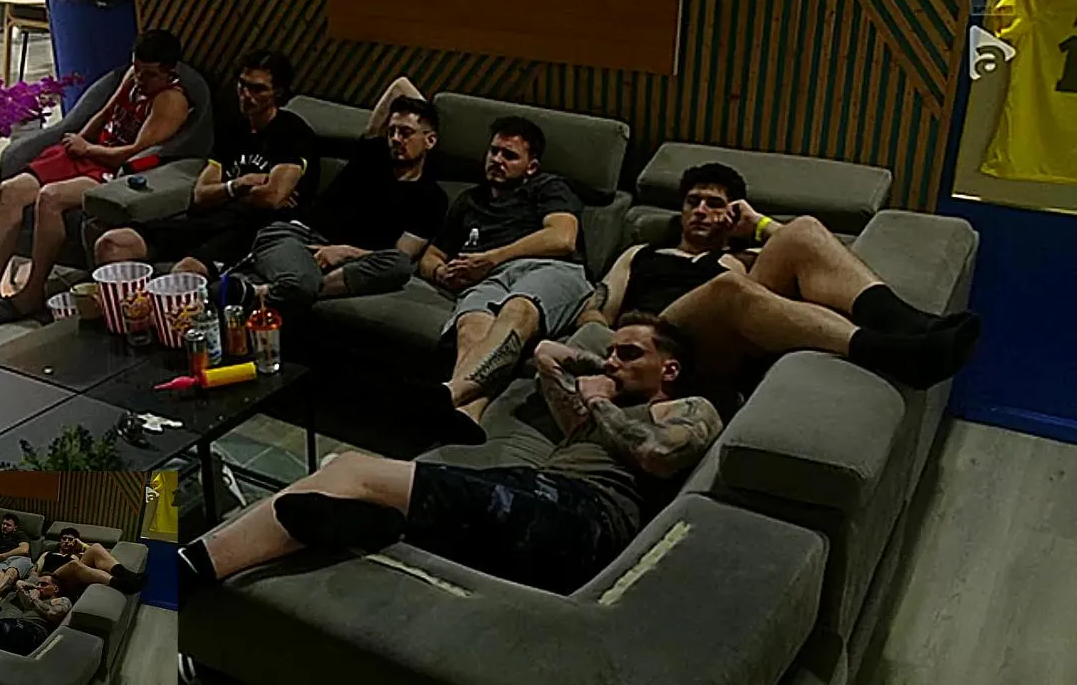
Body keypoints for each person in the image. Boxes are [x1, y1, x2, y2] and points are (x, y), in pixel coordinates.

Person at [178, 313, 721, 594]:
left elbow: (658, 455)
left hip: (584, 519)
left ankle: (177, 574)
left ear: (669, 369)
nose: (613, 362)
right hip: (537, 494)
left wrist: (600, 400)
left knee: (355, 471)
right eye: (612, 352)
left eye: (630, 354)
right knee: (339, 472)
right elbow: (546, 356)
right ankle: (380, 524)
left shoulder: (690, 408)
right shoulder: (594, 418)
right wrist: (601, 369)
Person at [575, 163, 982, 417]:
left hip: (721, 343)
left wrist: (759, 224)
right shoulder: (641, 253)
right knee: (728, 286)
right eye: (693, 202)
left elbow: (817, 256)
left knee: (803, 229)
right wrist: (613, 345)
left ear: (732, 214)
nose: (700, 210)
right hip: (658, 336)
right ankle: (888, 349)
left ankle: (910, 327)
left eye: (715, 204)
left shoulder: (743, 258)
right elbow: (596, 309)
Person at [0, 29, 192, 332]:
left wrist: (89, 150)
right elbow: (105, 112)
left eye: (149, 74)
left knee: (50, 197)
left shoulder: (170, 101)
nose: (140, 79)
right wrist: (78, 141)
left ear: (169, 71)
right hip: (90, 151)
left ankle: (32, 293)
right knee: (11, 191)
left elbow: (134, 153)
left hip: (116, 170)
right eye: (137, 69)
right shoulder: (133, 77)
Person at [191, 76, 447, 315]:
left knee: (400, 267)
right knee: (301, 281)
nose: (395, 139)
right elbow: (400, 85)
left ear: (431, 140)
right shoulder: (371, 155)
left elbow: (401, 254)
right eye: (391, 131)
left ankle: (258, 292)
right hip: (298, 237)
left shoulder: (432, 198)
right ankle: (281, 288)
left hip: (348, 262)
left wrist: (344, 252)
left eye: (406, 132)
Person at [414, 116, 593, 426]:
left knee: (518, 307)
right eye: (494, 151)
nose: (497, 160)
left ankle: (449, 392)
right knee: (471, 327)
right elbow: (431, 256)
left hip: (549, 269)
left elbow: (562, 238)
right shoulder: (469, 200)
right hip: (486, 280)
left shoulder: (548, 187)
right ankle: (465, 418)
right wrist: (441, 273)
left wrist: (491, 258)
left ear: (531, 166)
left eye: (509, 155)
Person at [94, 49, 319, 279]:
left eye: (258, 89)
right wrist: (238, 186)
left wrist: (225, 192)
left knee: (184, 273)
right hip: (212, 219)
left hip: (255, 229)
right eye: (242, 85)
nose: (246, 95)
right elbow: (201, 195)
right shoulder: (234, 131)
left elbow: (271, 198)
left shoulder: (292, 132)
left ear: (277, 92)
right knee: (112, 244)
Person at [43, 539, 147, 599]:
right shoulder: (48, 554)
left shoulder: (76, 555)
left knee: (96, 547)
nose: (66, 541)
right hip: (54, 577)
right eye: (64, 538)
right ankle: (122, 584)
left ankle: (128, 575)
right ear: (59, 541)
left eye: (70, 539)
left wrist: (82, 545)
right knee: (74, 564)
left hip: (73, 577)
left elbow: (101, 555)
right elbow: (35, 571)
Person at [0, 514, 33, 607]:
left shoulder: (20, 534)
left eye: (8, 525)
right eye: (3, 524)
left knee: (10, 571)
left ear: (15, 527)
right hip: (2, 562)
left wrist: (3, 555)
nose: (5, 526)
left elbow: (24, 550)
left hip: (20, 559)